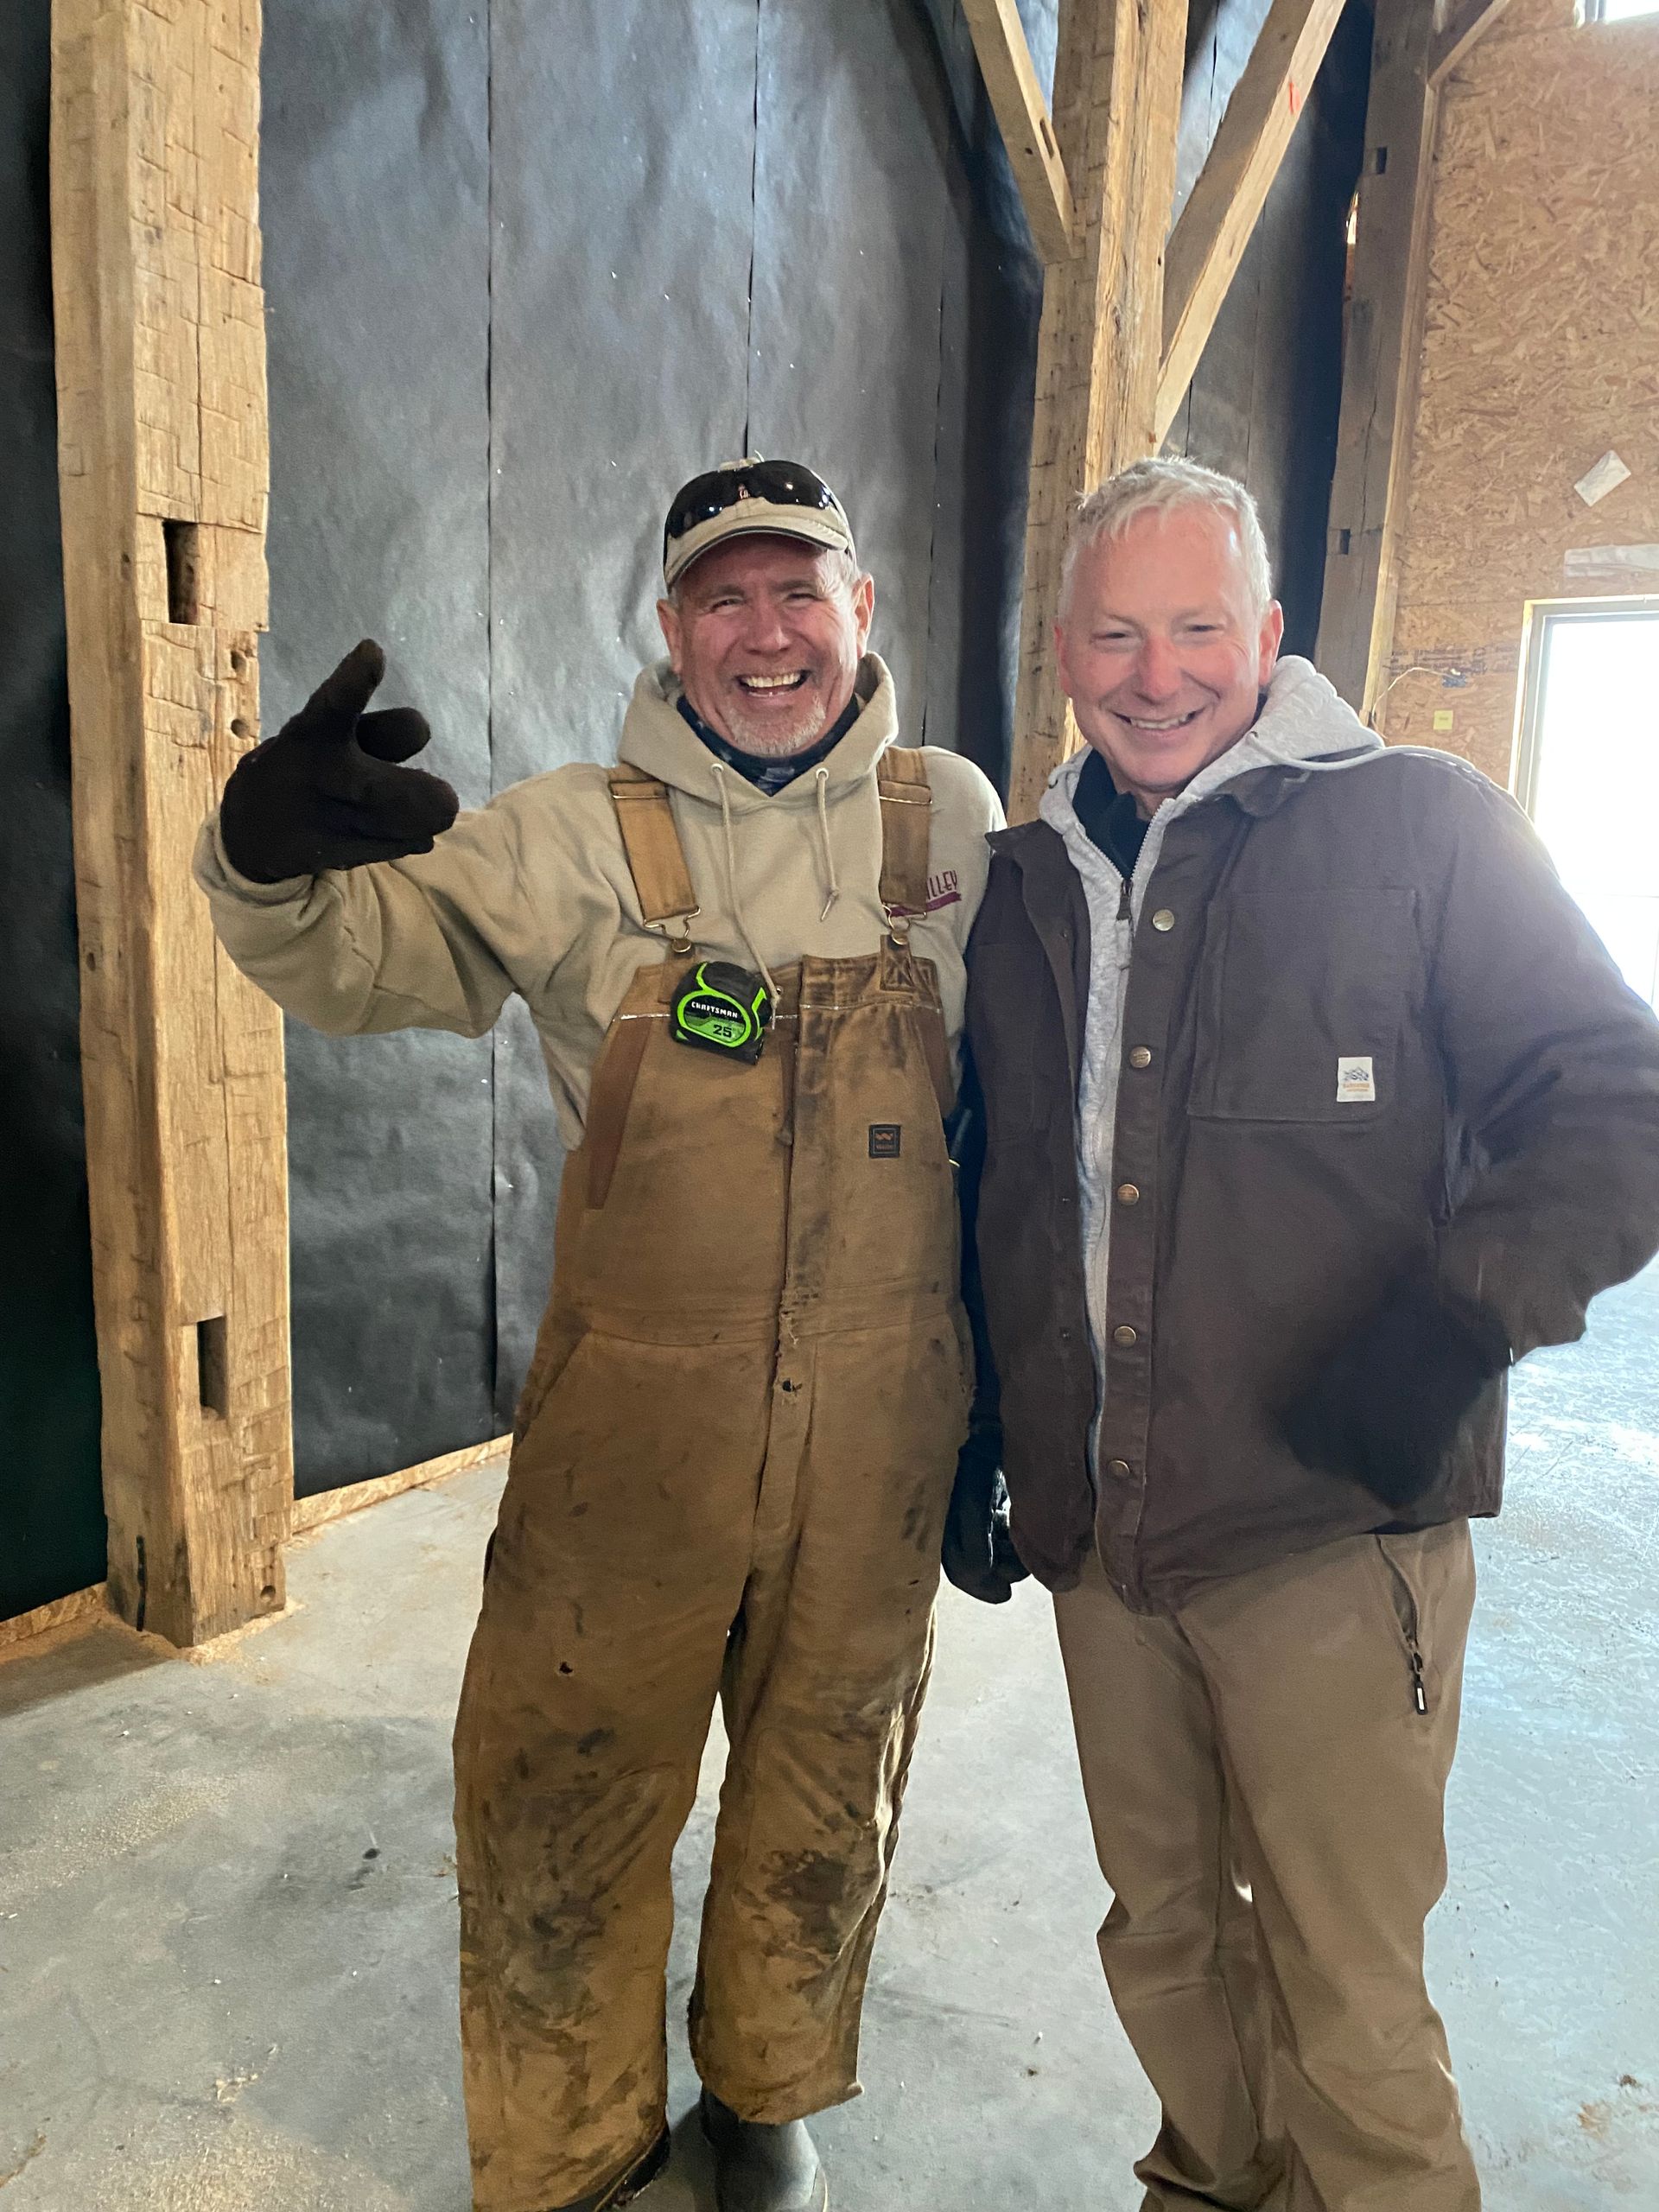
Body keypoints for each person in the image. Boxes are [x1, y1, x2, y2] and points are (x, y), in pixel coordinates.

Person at [195, 458, 1004, 2212]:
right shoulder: (569, 833)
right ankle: (573, 2150)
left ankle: (768, 2086)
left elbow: (1035, 1114)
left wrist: (1011, 1405)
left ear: (861, 613)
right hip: (635, 1424)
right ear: (671, 631)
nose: (765, 631)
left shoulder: (951, 824)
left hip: (875, 1429)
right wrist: (261, 855)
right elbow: (361, 957)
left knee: (828, 1765)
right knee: (560, 1777)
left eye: (801, 591)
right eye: (724, 598)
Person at [955, 454, 1659, 2209]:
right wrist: (985, 1422)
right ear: (1065, 651)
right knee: (1167, 1932)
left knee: (1346, 1986)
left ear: (1269, 633)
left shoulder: (1420, 825)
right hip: (1107, 1543)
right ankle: (1211, 2181)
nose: (1157, 670)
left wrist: (1461, 1317)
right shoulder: (1026, 874)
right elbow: (1012, 1173)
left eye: (1199, 625)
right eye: (1116, 632)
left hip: (1331, 1534)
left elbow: (1615, 1093)